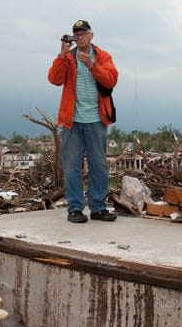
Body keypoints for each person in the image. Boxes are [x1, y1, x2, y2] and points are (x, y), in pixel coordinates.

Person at [48, 19, 118, 223]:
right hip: (72, 121)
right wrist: (62, 55)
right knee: (71, 166)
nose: (79, 37)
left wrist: (91, 65)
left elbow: (111, 79)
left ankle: (98, 207)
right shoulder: (68, 57)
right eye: (76, 34)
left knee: (99, 165)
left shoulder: (102, 56)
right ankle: (75, 209)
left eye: (83, 33)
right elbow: (54, 79)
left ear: (91, 35)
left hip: (97, 119)